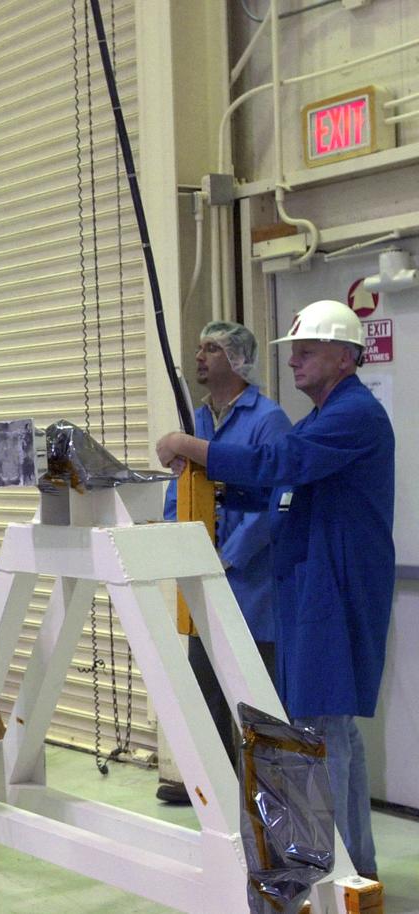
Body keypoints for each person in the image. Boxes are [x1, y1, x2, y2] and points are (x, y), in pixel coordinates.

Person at [156, 300, 394, 878]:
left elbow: (280, 462)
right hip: (310, 585)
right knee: (331, 727)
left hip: (331, 588)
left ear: (345, 356)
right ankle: (355, 865)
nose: (294, 363)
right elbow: (282, 486)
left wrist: (196, 450)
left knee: (321, 726)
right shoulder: (319, 416)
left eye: (308, 351)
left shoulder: (353, 414)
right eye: (293, 353)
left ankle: (333, 872)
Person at [157, 322, 292, 805]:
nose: (199, 356)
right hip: (202, 586)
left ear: (237, 361)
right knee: (204, 695)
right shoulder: (196, 422)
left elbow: (278, 499)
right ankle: (214, 800)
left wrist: (227, 556)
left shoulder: (268, 420)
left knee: (253, 701)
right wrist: (182, 544)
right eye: (200, 346)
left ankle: (261, 805)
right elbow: (178, 492)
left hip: (251, 588)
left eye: (211, 348)